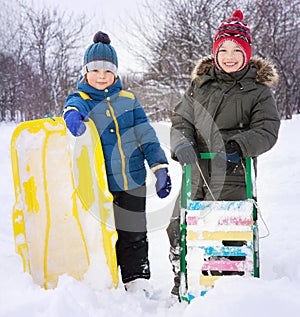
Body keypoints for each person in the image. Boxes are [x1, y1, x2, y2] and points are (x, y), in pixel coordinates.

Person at [167, 10, 280, 298]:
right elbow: (182, 120)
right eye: (224, 50)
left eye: (237, 50)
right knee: (178, 226)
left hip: (233, 174)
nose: (230, 56)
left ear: (247, 53)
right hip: (196, 171)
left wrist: (238, 146)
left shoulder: (258, 91)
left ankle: (226, 289)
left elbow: (267, 130)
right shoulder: (200, 85)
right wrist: (182, 144)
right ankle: (185, 276)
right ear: (215, 53)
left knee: (225, 230)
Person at [62, 31, 172, 296]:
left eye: (108, 70)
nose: (102, 76)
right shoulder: (82, 99)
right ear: (86, 72)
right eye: (96, 69)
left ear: (116, 72)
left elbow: (146, 135)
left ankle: (137, 280)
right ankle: (106, 282)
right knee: (103, 233)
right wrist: (72, 115)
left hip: (132, 181)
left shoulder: (129, 100)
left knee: (134, 233)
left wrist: (159, 167)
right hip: (100, 186)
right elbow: (71, 106)